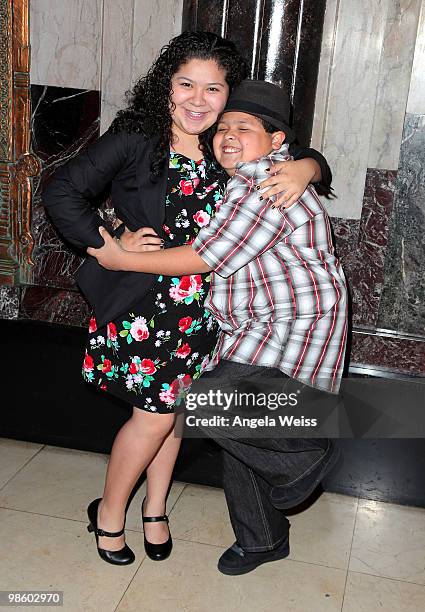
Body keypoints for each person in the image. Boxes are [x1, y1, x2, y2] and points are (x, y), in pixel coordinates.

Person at [43, 32, 333, 568]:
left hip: (203, 310)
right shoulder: (137, 137)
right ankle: (109, 514)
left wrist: (306, 167)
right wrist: (106, 243)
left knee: (176, 414)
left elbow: (290, 150)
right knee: (153, 418)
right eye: (186, 84)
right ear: (167, 87)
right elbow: (61, 190)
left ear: (230, 95)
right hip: (142, 305)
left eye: (214, 89)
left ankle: (155, 509)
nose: (198, 100)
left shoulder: (223, 142)